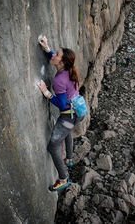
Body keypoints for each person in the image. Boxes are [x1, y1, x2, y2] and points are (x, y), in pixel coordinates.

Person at [37, 36, 84, 191]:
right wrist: (47, 48)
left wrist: (46, 93)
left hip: (69, 115)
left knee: (53, 145)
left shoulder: (58, 80)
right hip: (78, 112)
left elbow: (61, 103)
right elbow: (55, 58)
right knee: (66, 131)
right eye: (55, 53)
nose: (54, 55)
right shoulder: (69, 69)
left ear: (62, 63)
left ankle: (63, 178)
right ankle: (69, 159)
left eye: (57, 55)